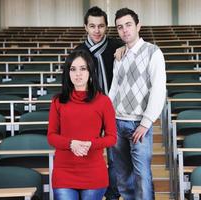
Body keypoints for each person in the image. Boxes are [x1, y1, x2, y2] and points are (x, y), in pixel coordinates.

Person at [108, 8, 166, 200]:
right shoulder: (120, 55)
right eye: (120, 27)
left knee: (142, 176)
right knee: (122, 177)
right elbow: (114, 89)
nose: (124, 30)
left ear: (138, 25)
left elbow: (158, 90)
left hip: (138, 124)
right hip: (117, 122)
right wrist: (107, 118)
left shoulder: (153, 52)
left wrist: (146, 123)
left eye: (128, 25)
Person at [47, 49, 117, 200]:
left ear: (91, 72)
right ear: (67, 72)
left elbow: (112, 138)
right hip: (64, 172)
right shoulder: (58, 101)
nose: (77, 74)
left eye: (83, 68)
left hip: (93, 173)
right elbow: (51, 136)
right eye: (73, 69)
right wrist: (71, 143)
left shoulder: (103, 101)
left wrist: (90, 144)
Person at [74, 6, 123, 200]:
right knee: (87, 158)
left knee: (115, 159)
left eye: (101, 26)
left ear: (107, 27)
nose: (97, 30)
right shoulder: (78, 52)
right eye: (92, 26)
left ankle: (113, 195)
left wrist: (124, 49)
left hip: (113, 109)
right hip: (88, 111)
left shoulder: (117, 46)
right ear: (85, 26)